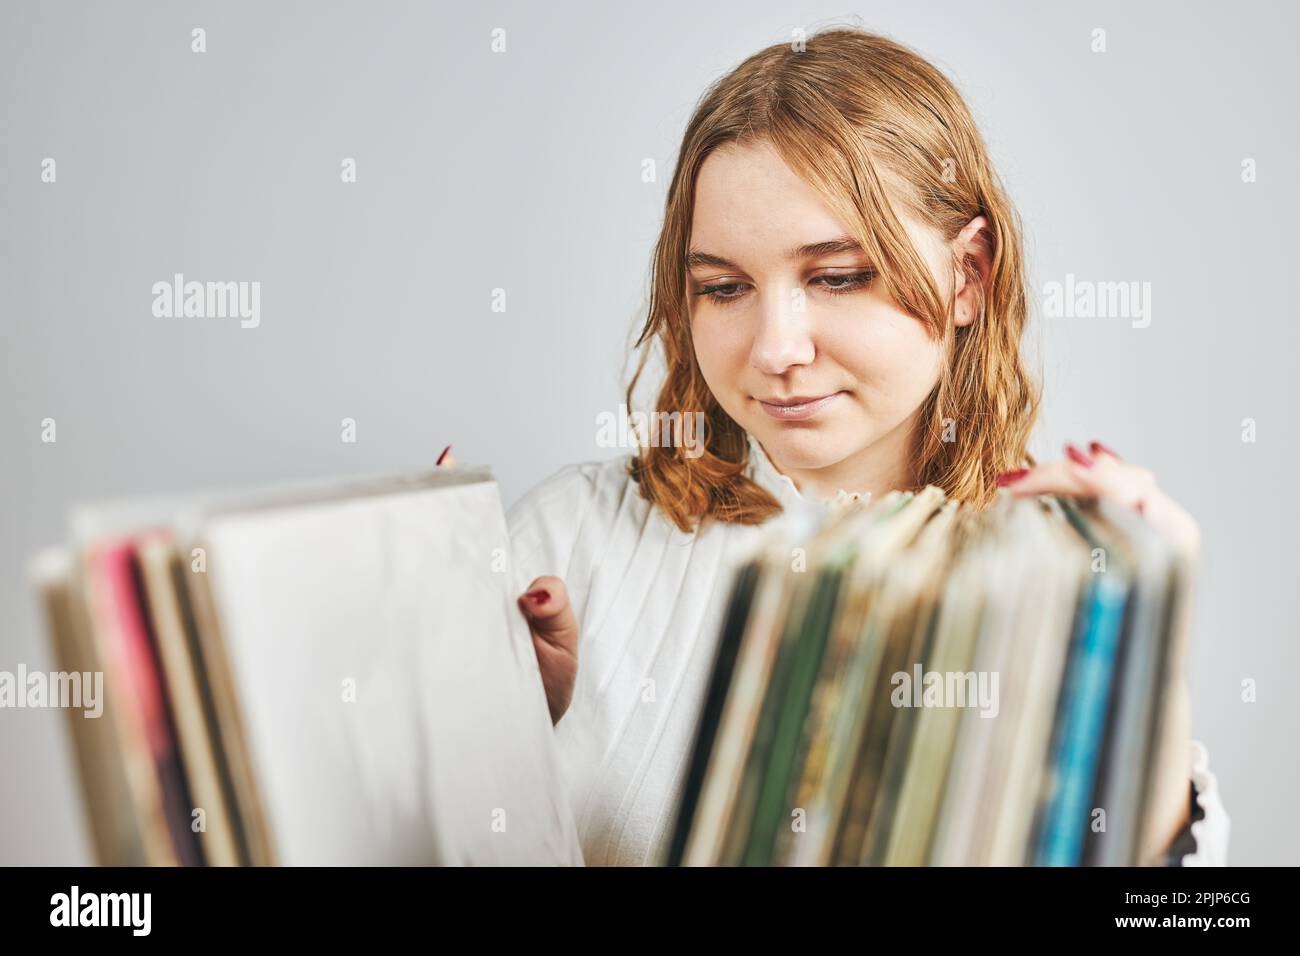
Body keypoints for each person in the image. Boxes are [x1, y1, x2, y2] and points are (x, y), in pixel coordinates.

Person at [442, 27, 1228, 866]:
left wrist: (1149, 654)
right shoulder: (564, 546)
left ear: (969, 275)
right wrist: (482, 749)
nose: (776, 348)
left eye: (839, 276)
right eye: (724, 287)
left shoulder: (1053, 583)